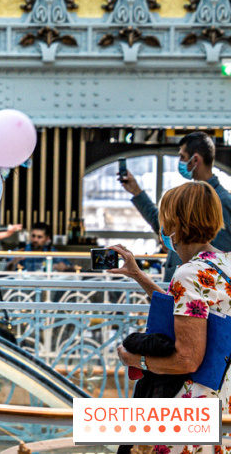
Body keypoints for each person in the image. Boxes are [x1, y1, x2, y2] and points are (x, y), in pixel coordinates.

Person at [111, 181, 231, 454]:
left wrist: (135, 359)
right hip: (223, 396)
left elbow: (187, 358)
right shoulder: (224, 264)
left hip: (190, 408)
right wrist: (139, 275)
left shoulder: (188, 274)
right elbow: (187, 308)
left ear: (174, 223)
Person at [119, 131, 231, 281]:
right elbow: (164, 223)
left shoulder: (219, 202)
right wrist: (136, 192)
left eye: (182, 157)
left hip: (192, 287)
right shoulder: (195, 198)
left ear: (195, 159)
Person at [5, 222, 71, 272]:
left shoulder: (51, 251)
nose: (35, 240)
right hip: (24, 286)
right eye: (33, 236)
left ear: (47, 238)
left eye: (39, 237)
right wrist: (15, 260)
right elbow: (7, 269)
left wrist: (63, 267)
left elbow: (69, 267)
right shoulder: (22, 250)